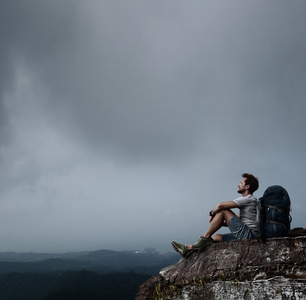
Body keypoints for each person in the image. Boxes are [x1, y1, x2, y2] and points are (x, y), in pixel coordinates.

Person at [172, 173, 259, 257]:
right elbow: (237, 221)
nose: (238, 184)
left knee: (223, 211)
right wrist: (218, 222)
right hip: (247, 233)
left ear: (247, 187)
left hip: (249, 235)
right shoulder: (250, 202)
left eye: (241, 183)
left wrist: (212, 214)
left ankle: (204, 238)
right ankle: (187, 248)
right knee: (216, 237)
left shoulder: (248, 199)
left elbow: (220, 205)